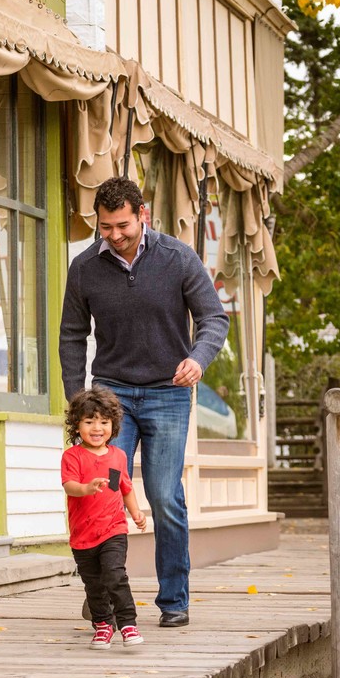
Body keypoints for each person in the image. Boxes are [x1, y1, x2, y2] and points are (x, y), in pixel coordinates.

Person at [59, 176, 228, 629]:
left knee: (163, 495)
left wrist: (198, 359)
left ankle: (173, 599)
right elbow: (72, 336)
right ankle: (103, 596)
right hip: (111, 397)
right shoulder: (84, 268)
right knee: (103, 491)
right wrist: (78, 400)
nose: (114, 235)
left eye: (122, 225)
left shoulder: (177, 258)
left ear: (143, 216)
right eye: (105, 227)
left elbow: (214, 317)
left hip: (168, 393)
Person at [62, 387, 148, 650]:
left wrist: (135, 512)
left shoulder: (118, 456)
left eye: (103, 421)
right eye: (89, 421)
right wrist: (86, 488)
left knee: (115, 575)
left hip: (113, 529)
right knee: (94, 584)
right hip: (83, 535)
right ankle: (102, 625)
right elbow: (69, 486)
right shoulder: (72, 456)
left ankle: (128, 624)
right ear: (77, 426)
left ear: (113, 425)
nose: (96, 428)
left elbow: (123, 487)